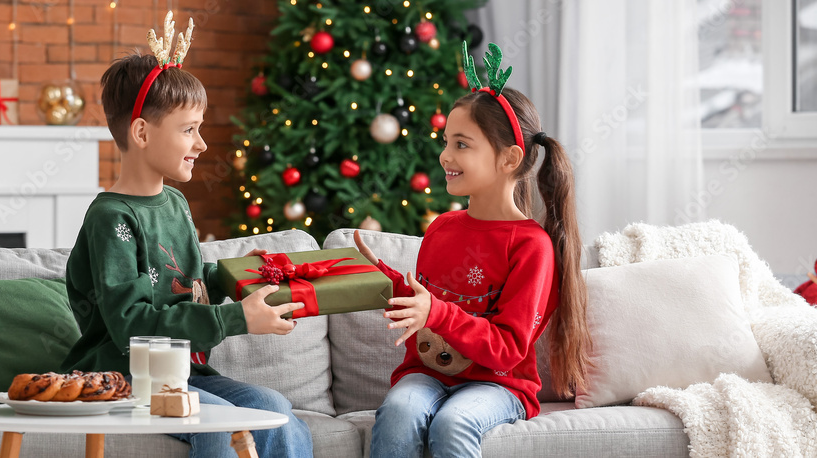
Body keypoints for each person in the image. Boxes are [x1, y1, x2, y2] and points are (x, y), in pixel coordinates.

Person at [59, 13, 313, 458]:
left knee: (276, 411)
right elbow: (131, 326)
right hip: (127, 376)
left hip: (185, 373)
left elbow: (183, 282)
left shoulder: (174, 204)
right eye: (189, 130)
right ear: (141, 132)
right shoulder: (112, 218)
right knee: (215, 425)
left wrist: (242, 275)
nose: (202, 145)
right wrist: (235, 319)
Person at [353, 43, 592, 458]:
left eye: (462, 144)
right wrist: (385, 278)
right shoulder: (442, 227)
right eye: (446, 141)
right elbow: (428, 308)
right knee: (398, 410)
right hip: (426, 374)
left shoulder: (531, 246)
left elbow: (508, 348)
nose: (445, 155)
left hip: (499, 383)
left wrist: (434, 312)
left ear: (509, 158)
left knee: (454, 422)